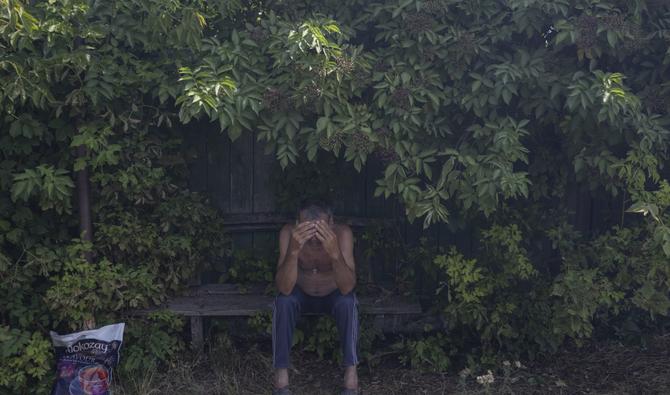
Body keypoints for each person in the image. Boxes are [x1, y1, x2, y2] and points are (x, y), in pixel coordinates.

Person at [272, 199, 359, 395]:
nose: (313, 239)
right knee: (283, 302)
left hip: (334, 293)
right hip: (299, 292)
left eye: (319, 229)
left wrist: (335, 253)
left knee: (349, 302)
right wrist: (294, 251)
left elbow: (347, 287)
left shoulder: (342, 234)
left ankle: (351, 373)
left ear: (331, 223)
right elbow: (284, 288)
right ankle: (281, 375)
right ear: (297, 224)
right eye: (307, 229)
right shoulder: (288, 234)